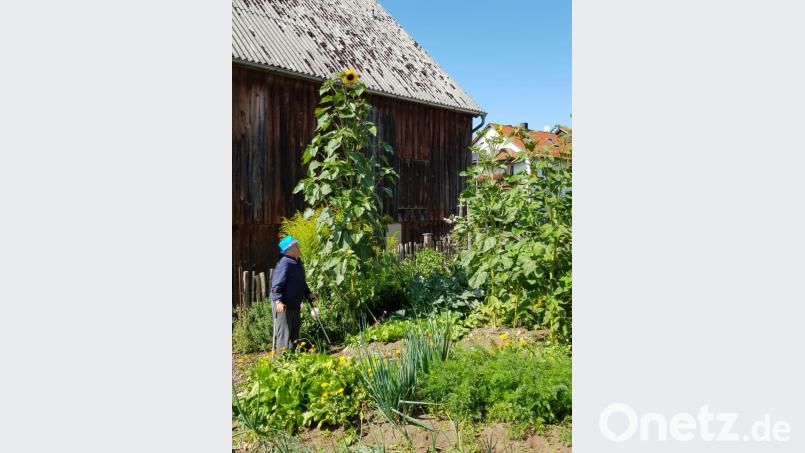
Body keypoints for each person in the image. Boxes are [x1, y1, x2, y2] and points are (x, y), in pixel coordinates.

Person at [269, 236, 317, 353]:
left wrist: (309, 294)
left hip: (294, 305)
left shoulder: (297, 263)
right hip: (283, 307)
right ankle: (281, 363)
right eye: (296, 245)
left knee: (294, 336)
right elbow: (276, 286)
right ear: (290, 249)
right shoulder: (284, 264)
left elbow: (301, 282)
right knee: (284, 337)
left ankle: (292, 362)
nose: (299, 247)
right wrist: (278, 302)